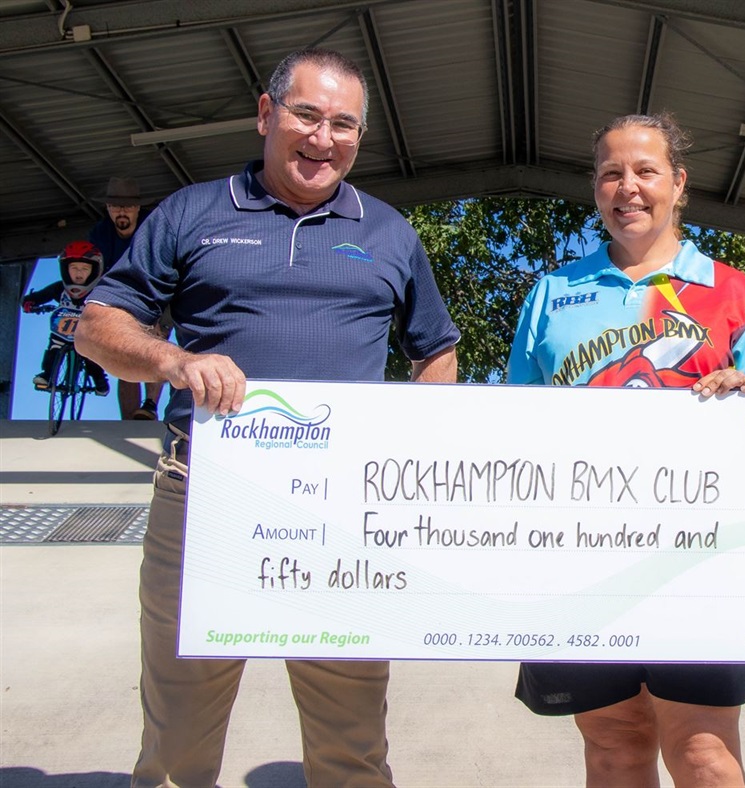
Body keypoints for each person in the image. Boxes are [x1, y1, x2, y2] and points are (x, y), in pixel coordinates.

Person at [75, 48, 460, 788]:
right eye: (307, 115)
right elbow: (98, 325)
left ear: (360, 135)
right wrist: (172, 362)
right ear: (265, 113)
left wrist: (413, 449)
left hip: (343, 509)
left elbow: (435, 349)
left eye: (343, 124)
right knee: (176, 745)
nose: (323, 138)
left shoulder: (387, 232)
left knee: (352, 746)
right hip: (204, 498)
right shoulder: (191, 212)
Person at [507, 112, 745, 787]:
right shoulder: (553, 294)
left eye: (644, 171)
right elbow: (512, 424)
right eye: (610, 174)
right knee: (612, 743)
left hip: (700, 565)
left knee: (703, 751)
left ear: (679, 183)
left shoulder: (734, 294)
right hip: (579, 561)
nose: (626, 187)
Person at [88, 176, 166, 420]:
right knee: (124, 351)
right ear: (108, 209)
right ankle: (130, 419)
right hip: (120, 297)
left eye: (128, 206)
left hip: (159, 293)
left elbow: (169, 270)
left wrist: (159, 317)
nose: (121, 211)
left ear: (137, 208)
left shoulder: (153, 228)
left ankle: (151, 404)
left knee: (157, 344)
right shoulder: (100, 234)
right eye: (115, 206)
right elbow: (94, 273)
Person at [23, 240, 110, 395]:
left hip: (89, 333)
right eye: (73, 268)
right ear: (65, 269)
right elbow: (41, 296)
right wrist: (30, 302)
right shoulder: (60, 289)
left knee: (92, 357)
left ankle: (100, 382)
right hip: (63, 331)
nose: (78, 273)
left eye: (85, 268)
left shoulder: (101, 290)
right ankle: (47, 375)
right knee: (53, 348)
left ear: (95, 270)